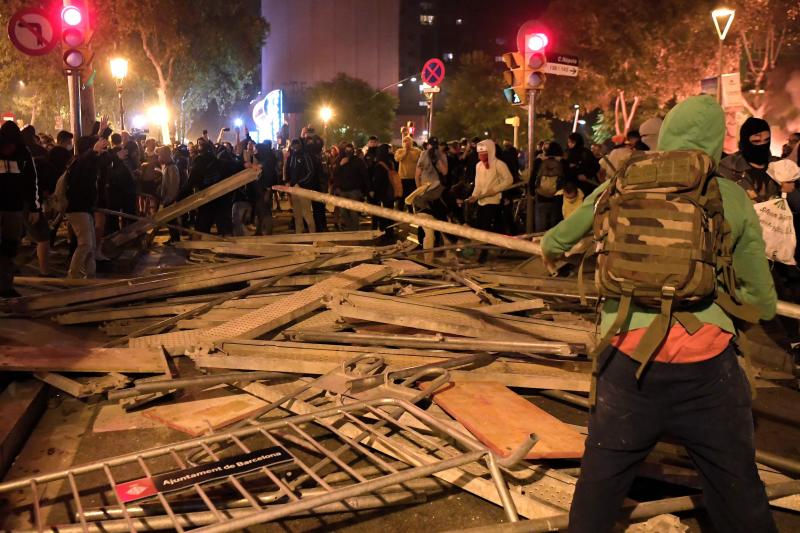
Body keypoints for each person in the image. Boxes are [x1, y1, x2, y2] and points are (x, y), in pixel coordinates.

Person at [542, 95, 778, 533]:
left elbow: (555, 241)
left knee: (598, 488)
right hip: (706, 371)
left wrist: (561, 255)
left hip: (625, 362)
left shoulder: (621, 184)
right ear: (714, 142)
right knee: (738, 491)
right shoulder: (729, 195)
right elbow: (761, 295)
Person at [0, 121, 41, 296]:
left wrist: (34, 207)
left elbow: (32, 182)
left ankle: (5, 287)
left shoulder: (24, 154)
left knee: (10, 248)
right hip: (10, 208)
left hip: (14, 208)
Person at [65, 136, 106, 279]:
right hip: (78, 208)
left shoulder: (84, 161)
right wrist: (94, 151)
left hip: (85, 208)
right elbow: (86, 165)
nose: (102, 149)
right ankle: (73, 277)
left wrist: (101, 132)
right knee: (86, 245)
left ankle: (90, 276)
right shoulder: (81, 162)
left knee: (91, 246)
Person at [466, 140, 513, 262]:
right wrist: (474, 196)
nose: (481, 156)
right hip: (481, 200)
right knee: (485, 226)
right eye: (479, 154)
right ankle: (498, 246)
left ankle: (484, 253)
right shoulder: (478, 166)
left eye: (484, 154)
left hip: (493, 201)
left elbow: (509, 180)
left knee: (486, 226)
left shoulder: (499, 165)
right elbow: (478, 185)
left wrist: (495, 189)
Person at [718, 117, 780, 202]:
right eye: (756, 141)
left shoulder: (780, 167)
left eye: (766, 140)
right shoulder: (727, 169)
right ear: (745, 142)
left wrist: (788, 191)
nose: (762, 145)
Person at [333, 142, 369, 231]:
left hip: (355, 190)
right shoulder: (339, 160)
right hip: (342, 190)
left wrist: (367, 189)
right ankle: (349, 228)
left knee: (353, 212)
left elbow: (365, 175)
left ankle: (354, 230)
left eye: (350, 149)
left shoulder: (358, 161)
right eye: (347, 149)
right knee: (343, 212)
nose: (348, 151)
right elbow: (334, 174)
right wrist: (340, 165)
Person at [532, 142, 566, 232]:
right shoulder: (562, 162)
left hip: (540, 194)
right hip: (557, 196)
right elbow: (568, 176)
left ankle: (539, 240)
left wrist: (532, 192)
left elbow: (532, 177)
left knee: (540, 220)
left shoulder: (539, 161)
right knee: (555, 221)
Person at [286, 138, 316, 234]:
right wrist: (289, 182)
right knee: (297, 214)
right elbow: (289, 171)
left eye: (296, 144)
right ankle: (299, 235)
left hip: (303, 188)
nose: (294, 146)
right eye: (293, 144)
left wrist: (300, 183)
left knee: (306, 213)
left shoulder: (305, 156)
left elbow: (310, 172)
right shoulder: (291, 157)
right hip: (294, 188)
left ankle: (313, 236)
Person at [157, 146, 182, 242]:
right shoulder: (168, 166)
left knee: (172, 220)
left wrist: (169, 199)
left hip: (170, 199)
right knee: (171, 220)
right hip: (168, 198)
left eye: (160, 155)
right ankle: (174, 238)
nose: (159, 158)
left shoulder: (172, 168)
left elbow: (173, 186)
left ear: (165, 155)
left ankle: (175, 238)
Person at [394, 136, 421, 207]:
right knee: (402, 196)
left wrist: (409, 151)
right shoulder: (399, 151)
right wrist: (405, 151)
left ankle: (411, 211)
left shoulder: (417, 151)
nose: (406, 143)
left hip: (413, 178)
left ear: (411, 142)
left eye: (408, 141)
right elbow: (397, 159)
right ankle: (399, 211)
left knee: (412, 196)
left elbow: (415, 159)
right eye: (404, 141)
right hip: (402, 178)